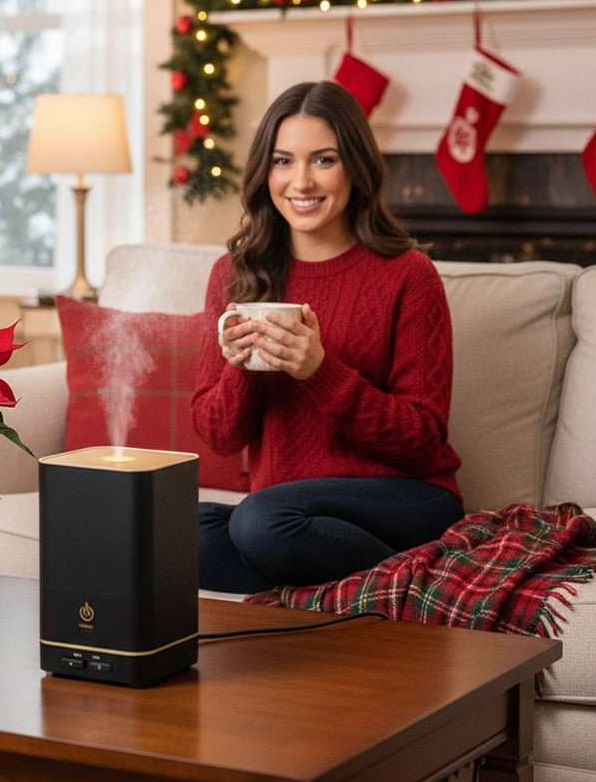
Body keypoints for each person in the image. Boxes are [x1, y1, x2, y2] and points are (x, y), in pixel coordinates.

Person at [192, 80, 464, 594]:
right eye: (282, 161)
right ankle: (372, 581)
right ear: (264, 171)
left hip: (403, 496)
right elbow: (220, 435)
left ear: (354, 167)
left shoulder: (408, 275)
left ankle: (409, 590)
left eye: (323, 160)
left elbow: (424, 439)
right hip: (288, 509)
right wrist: (242, 365)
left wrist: (320, 371)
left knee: (261, 524)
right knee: (164, 533)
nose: (300, 181)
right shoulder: (234, 274)